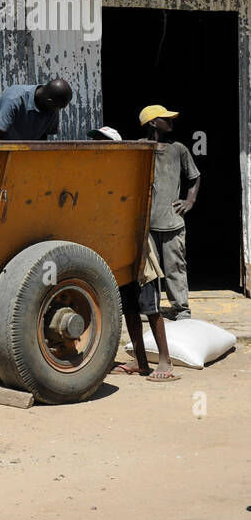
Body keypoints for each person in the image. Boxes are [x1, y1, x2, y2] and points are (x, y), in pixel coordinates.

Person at [91, 125, 180, 381]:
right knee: (130, 307)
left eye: (102, 142)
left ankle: (165, 362)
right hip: (117, 250)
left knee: (150, 306)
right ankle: (141, 362)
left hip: (139, 247)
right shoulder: (98, 176)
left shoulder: (129, 174)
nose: (97, 145)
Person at [140, 104, 200, 321]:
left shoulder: (179, 149)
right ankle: (151, 309)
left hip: (173, 223)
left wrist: (189, 201)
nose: (171, 121)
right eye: (166, 118)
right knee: (149, 271)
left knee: (175, 267)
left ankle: (181, 309)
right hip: (146, 224)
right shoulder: (138, 148)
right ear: (153, 123)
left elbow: (194, 177)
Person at [0, 78, 72, 140]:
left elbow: (42, 141)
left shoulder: (52, 107)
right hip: (2, 148)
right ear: (50, 102)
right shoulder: (14, 100)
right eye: (59, 108)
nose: (58, 111)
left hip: (25, 153)